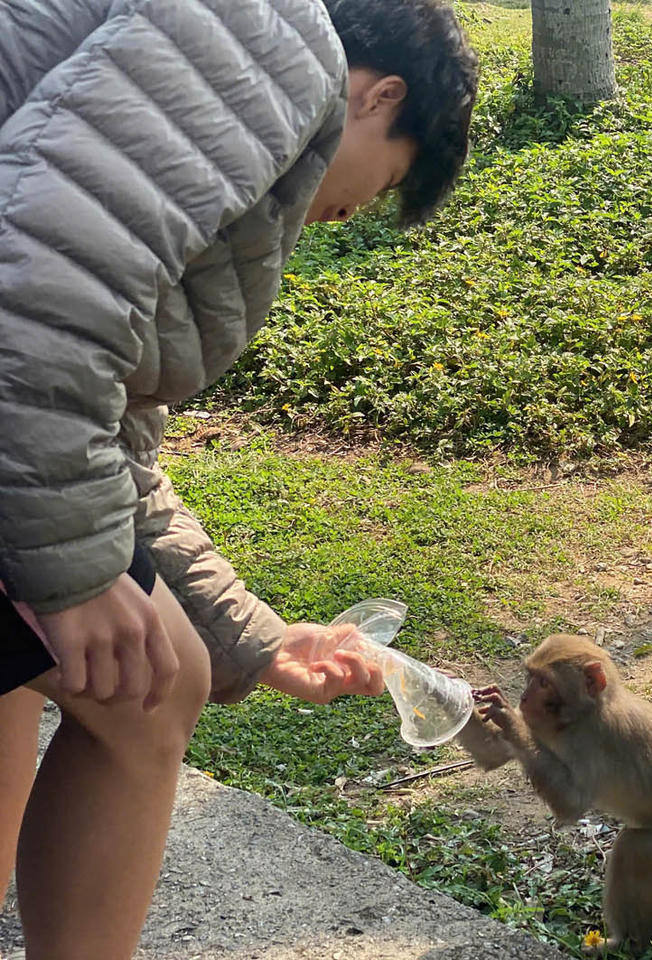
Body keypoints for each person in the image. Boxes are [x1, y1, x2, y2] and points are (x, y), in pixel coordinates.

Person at [0, 1, 478, 958]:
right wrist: (81, 578)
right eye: (385, 185)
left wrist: (258, 643)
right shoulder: (269, 43)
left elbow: (112, 441)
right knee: (149, 689)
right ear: (382, 97)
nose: (348, 213)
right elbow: (31, 313)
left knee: (26, 672)